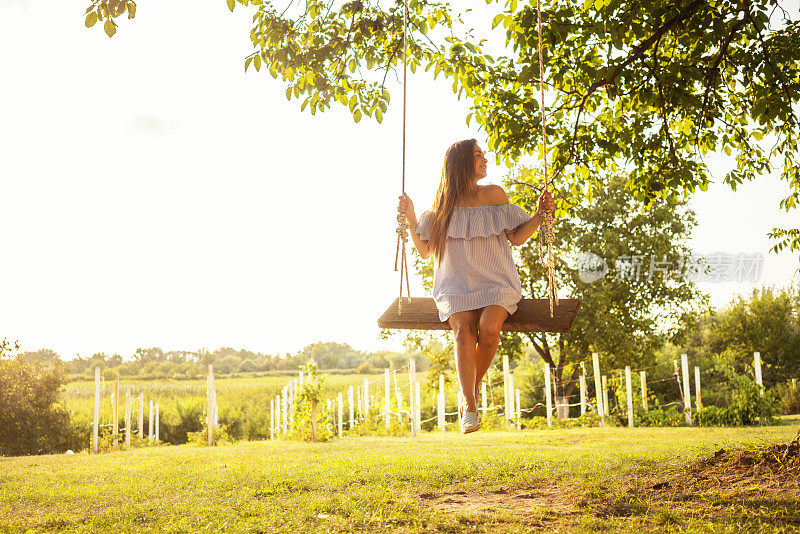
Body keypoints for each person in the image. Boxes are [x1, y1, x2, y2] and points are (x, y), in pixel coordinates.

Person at [397, 138, 555, 434]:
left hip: (496, 281)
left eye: (484, 155)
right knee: (463, 331)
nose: (485, 160)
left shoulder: (495, 194)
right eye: (478, 155)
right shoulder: (443, 204)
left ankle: (470, 386)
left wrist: (539, 215)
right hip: (456, 284)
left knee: (490, 326)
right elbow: (426, 250)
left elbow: (517, 238)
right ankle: (470, 405)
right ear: (461, 163)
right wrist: (411, 216)